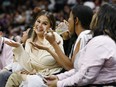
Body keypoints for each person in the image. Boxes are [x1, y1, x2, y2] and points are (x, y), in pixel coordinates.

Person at [45, 3, 116, 87]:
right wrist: (59, 77)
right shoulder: (100, 39)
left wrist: (58, 83)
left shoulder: (96, 40)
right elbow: (79, 69)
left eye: (96, 14)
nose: (67, 20)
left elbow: (82, 74)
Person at [5, 10, 64, 87]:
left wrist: (36, 72)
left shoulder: (55, 37)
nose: (39, 25)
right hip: (34, 75)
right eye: (38, 21)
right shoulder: (29, 42)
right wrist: (18, 47)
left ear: (50, 27)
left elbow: (62, 62)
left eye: (44, 23)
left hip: (51, 77)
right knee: (11, 76)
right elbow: (29, 66)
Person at [34, 4, 93, 70]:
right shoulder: (84, 35)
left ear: (76, 20)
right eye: (38, 21)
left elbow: (70, 67)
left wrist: (53, 43)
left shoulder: (84, 35)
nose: (68, 20)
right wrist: (67, 39)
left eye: (70, 17)